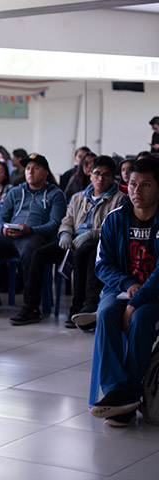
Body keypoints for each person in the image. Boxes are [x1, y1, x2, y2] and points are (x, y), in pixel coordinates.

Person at [11, 155, 125, 326]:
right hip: (72, 239)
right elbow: (67, 219)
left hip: (99, 242)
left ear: (113, 177)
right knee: (38, 254)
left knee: (84, 253)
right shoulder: (79, 197)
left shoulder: (120, 199)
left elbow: (115, 228)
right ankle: (31, 306)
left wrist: (91, 234)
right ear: (90, 174)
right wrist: (64, 233)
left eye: (106, 175)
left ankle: (81, 307)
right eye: (97, 174)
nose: (100, 179)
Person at [89, 156, 159, 428]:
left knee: (140, 320)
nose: (136, 192)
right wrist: (127, 285)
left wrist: (137, 300)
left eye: (146, 185)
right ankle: (117, 391)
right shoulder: (115, 219)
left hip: (153, 296)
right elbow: (102, 263)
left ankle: (129, 395)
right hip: (120, 290)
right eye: (132, 184)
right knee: (106, 314)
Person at [0, 154, 67, 315]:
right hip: (9, 236)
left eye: (36, 168)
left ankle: (31, 306)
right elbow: (1, 217)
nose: (30, 172)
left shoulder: (55, 194)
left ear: (46, 172)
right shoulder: (16, 191)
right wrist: (3, 229)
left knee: (32, 251)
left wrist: (32, 230)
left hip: (33, 236)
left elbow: (55, 223)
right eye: (28, 168)